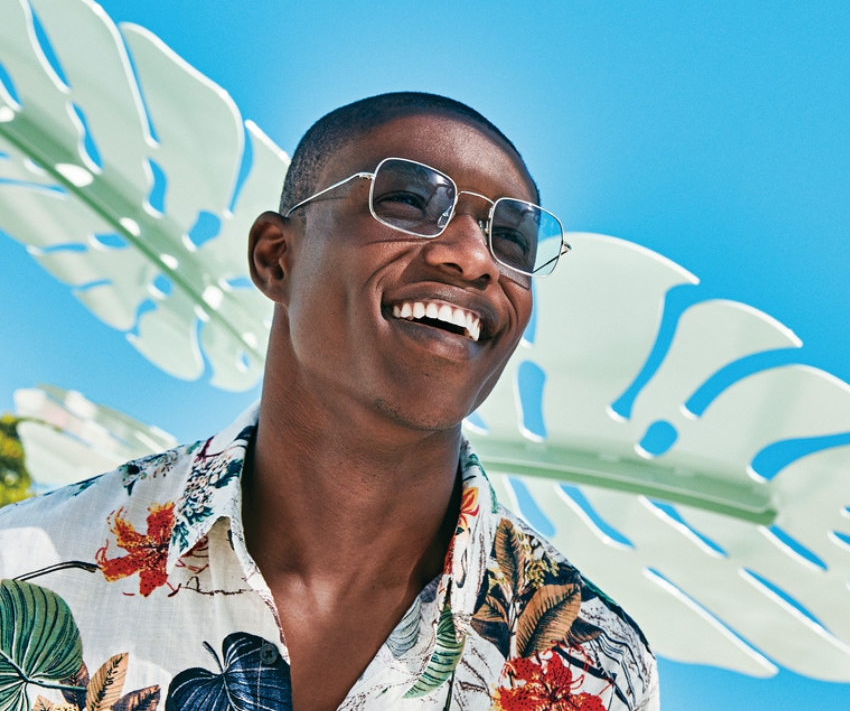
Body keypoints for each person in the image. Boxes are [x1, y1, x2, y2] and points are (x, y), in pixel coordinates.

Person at [0, 93, 659, 711]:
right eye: (408, 201)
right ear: (275, 258)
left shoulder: (592, 664)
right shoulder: (24, 568)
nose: (473, 258)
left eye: (511, 240)